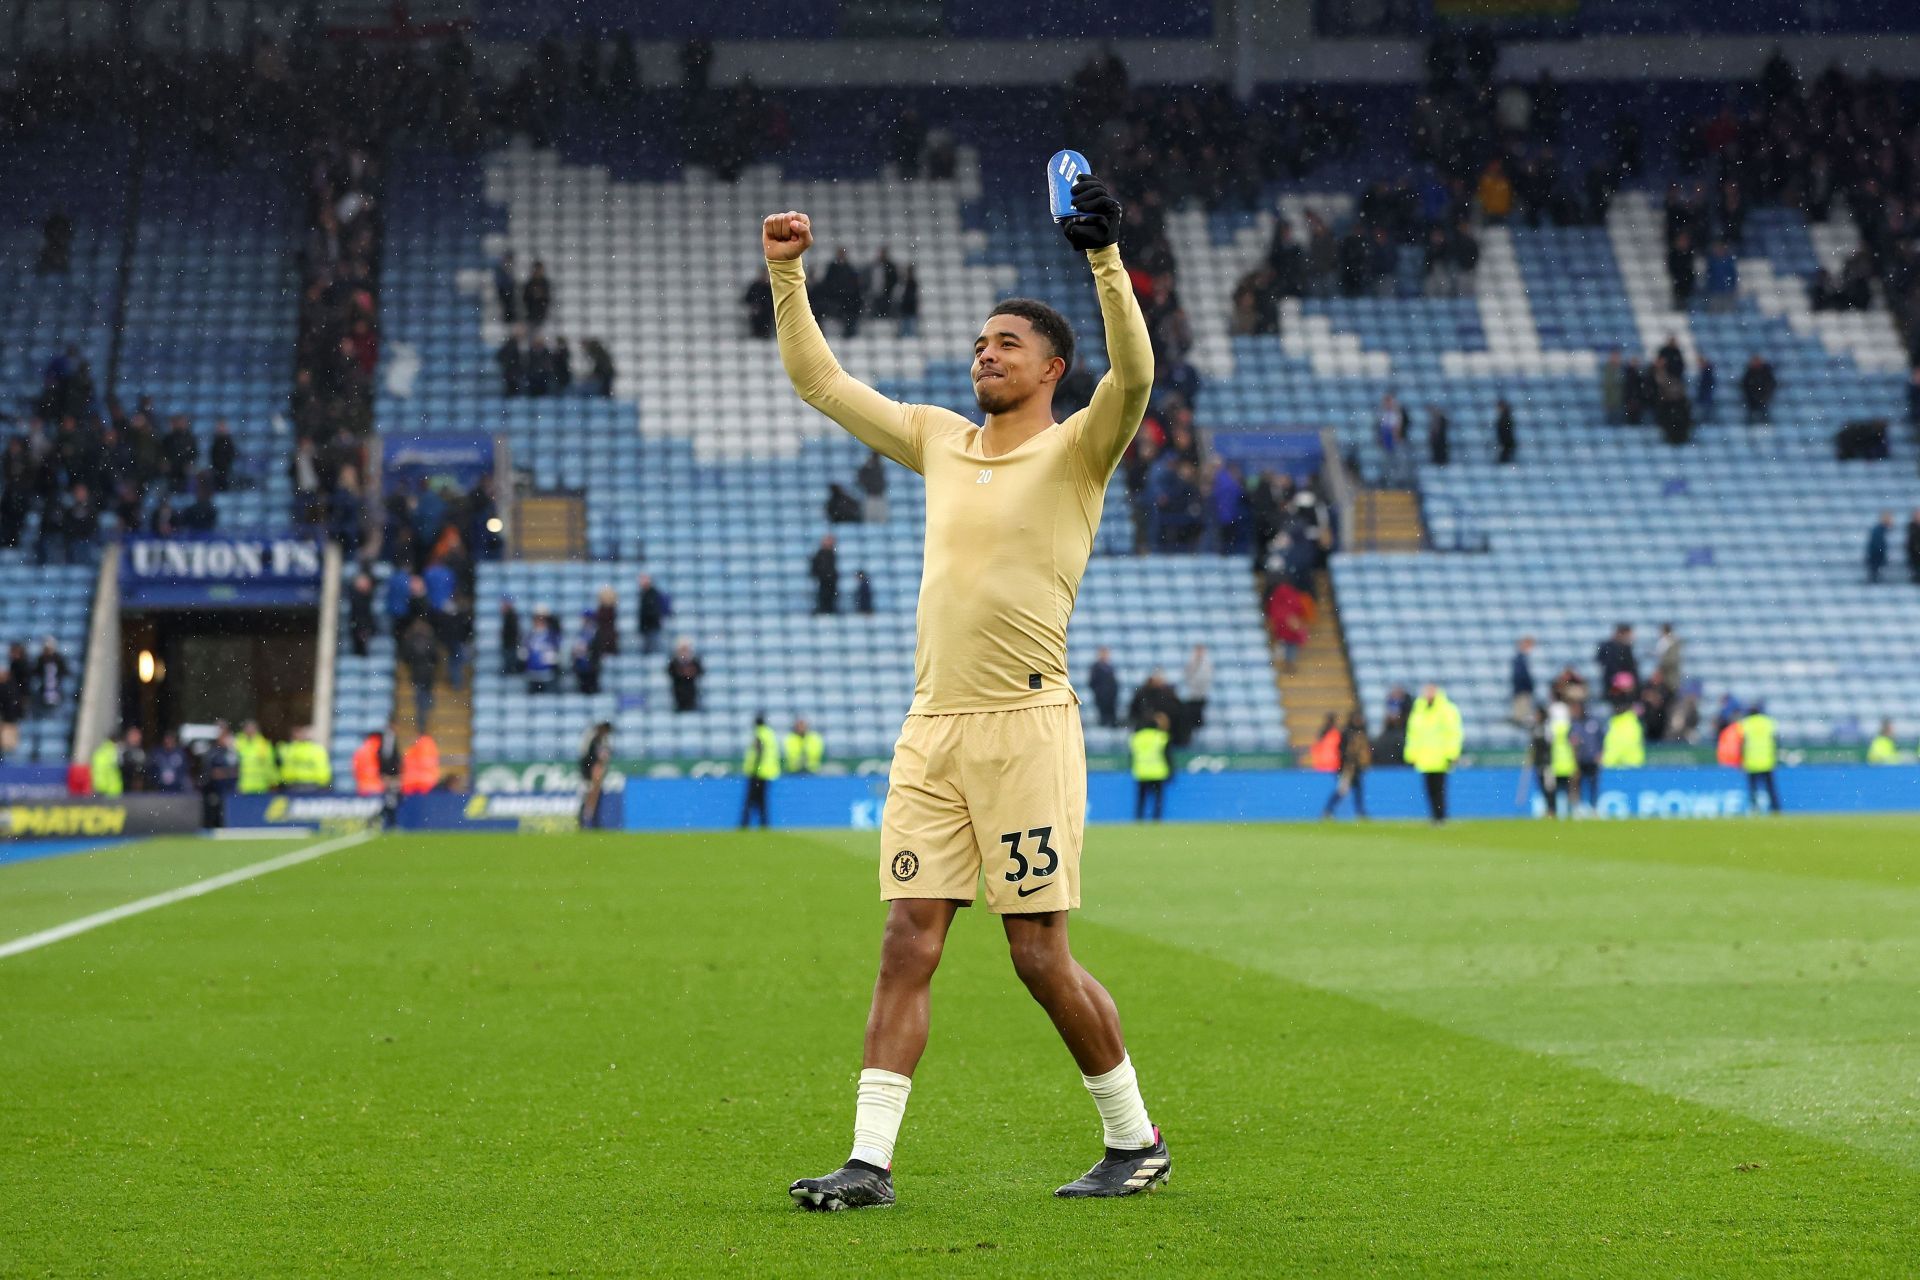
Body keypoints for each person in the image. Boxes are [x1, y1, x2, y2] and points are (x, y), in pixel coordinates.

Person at [765, 175, 1171, 1209]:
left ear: (1051, 367)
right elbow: (822, 381)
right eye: (981, 342)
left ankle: (1135, 1138)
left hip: (1028, 726)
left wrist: (1105, 260)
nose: (985, 352)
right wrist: (786, 272)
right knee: (908, 935)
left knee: (1037, 953)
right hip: (933, 726)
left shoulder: (1082, 445)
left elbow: (1137, 373)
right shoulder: (940, 438)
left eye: (1006, 343)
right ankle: (869, 1160)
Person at [1405, 684, 1462, 824]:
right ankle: (1435, 816)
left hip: (1440, 757)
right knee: (1429, 789)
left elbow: (1454, 733)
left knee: (1439, 788)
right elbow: (1413, 735)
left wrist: (1452, 753)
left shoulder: (1447, 710)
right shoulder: (1418, 711)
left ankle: (1440, 816)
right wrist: (1411, 754)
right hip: (1425, 758)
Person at [1321, 710, 1371, 821]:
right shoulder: (1347, 733)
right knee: (1342, 790)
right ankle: (1328, 810)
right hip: (1348, 768)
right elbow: (1342, 751)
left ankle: (1359, 811)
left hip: (1356, 768)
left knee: (1357, 790)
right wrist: (1345, 764)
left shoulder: (1361, 733)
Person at [1740, 701, 1781, 814]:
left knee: (1753, 789)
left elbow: (1741, 743)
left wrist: (1741, 759)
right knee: (1770, 788)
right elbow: (1775, 740)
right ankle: (1775, 809)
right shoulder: (1768, 722)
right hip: (1767, 761)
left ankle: (1754, 809)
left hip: (1751, 762)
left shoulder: (1745, 724)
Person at [740, 713, 780, 829]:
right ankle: (764, 824)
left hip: (758, 773)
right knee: (762, 801)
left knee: (750, 801)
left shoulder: (759, 734)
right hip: (767, 773)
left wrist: (755, 770)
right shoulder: (769, 733)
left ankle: (745, 824)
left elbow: (759, 752)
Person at [1130, 712, 1171, 821]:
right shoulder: (1161, 737)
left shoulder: (1137, 737)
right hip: (1158, 773)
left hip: (1141, 772)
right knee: (1157, 799)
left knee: (1141, 799)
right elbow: (1167, 756)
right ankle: (1156, 819)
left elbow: (1132, 756)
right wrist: (1171, 771)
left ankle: (1139, 818)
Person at [198, 725, 238, 829]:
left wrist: (224, 773)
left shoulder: (231, 752)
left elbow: (236, 771)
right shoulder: (213, 752)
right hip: (214, 790)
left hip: (228, 791)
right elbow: (212, 773)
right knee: (213, 817)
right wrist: (226, 773)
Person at [402, 618, 439, 729]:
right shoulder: (429, 640)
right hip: (428, 673)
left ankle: (422, 720)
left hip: (417, 673)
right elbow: (435, 657)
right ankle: (426, 712)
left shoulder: (411, 640)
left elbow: (406, 657)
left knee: (420, 697)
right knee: (425, 695)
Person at [579, 721, 614, 829]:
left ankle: (592, 821)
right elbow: (585, 755)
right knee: (587, 796)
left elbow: (606, 756)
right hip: (588, 772)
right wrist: (590, 771)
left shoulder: (603, 740)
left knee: (595, 796)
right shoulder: (591, 738)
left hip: (595, 772)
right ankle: (584, 821)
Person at [1179, 644, 1212, 745]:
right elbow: (1186, 676)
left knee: (1197, 721)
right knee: (1189, 720)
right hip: (1192, 697)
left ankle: (1196, 740)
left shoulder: (1206, 664)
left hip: (1200, 697)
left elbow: (1204, 679)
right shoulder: (1191, 662)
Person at [234, 720, 278, 795]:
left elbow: (270, 765)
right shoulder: (239, 743)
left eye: (251, 728)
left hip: (261, 787)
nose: (249, 731)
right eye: (247, 728)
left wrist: (273, 782)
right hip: (244, 787)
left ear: (256, 730)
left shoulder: (263, 745)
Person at [1602, 704, 1646, 769]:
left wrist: (1607, 762)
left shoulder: (1615, 724)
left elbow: (1616, 747)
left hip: (1614, 766)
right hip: (1635, 764)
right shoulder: (1634, 723)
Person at [667, 640, 704, 713]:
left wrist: (690, 672)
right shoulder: (674, 662)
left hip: (691, 690)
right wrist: (682, 672)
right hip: (678, 691)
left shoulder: (694, 661)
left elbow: (700, 672)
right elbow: (671, 672)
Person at [1087, 647, 1119, 729]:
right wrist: (1099, 692)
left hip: (1111, 698)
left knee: (1112, 718)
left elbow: (1114, 683)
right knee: (1103, 719)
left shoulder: (1110, 667)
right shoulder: (1096, 667)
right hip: (1101, 697)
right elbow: (1092, 682)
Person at [1509, 635, 1536, 726]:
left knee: (1524, 715)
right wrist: (1528, 686)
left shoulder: (1522, 658)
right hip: (1522, 690)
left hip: (1522, 689)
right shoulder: (1520, 659)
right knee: (1522, 716)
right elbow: (1520, 676)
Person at [637, 574, 669, 654]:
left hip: (652, 626)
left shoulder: (653, 593)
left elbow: (652, 610)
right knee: (648, 650)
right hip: (647, 626)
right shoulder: (644, 593)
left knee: (653, 650)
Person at [1740, 354, 1776, 425]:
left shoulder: (1765, 372)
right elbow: (1745, 385)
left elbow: (1771, 384)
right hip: (1752, 399)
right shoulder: (1750, 373)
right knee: (1752, 413)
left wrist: (1764, 395)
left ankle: (1766, 424)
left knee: (1763, 412)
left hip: (1763, 398)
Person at [811, 534, 839, 614]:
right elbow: (816, 567)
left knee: (831, 597)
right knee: (824, 597)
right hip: (824, 580)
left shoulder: (832, 554)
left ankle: (829, 611)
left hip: (830, 580)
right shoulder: (820, 554)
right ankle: (824, 611)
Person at [90, 732, 124, 797]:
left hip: (100, 788)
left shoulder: (99, 752)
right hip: (112, 791)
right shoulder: (114, 752)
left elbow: (97, 771)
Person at [353, 730, 384, 796]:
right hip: (377, 787)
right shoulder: (378, 748)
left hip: (361, 787)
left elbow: (355, 768)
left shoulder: (360, 750)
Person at [0, 665, 20, 761]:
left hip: (7, 719)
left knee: (7, 744)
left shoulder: (9, 688)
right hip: (7, 718)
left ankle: (5, 760)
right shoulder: (11, 688)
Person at [1866, 512, 1893, 583]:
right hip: (1876, 558)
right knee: (1875, 577)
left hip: (1876, 558)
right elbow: (1877, 546)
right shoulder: (1879, 531)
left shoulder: (1881, 530)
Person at [500, 599, 524, 674]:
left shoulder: (511, 617)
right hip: (510, 644)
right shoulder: (510, 617)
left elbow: (513, 631)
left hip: (510, 644)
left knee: (510, 663)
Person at [1493, 397, 1516, 465]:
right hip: (1507, 444)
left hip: (1506, 444)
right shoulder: (1506, 417)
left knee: (1504, 461)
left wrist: (1503, 444)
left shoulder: (1504, 419)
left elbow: (1505, 433)